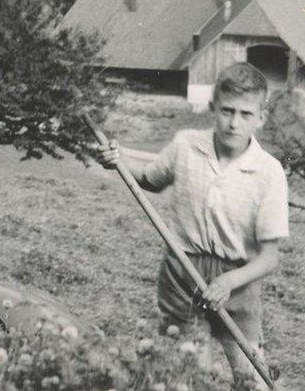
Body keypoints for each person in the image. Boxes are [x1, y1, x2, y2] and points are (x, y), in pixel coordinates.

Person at [95, 62, 288, 390]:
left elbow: (270, 257)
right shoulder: (186, 145)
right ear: (213, 107)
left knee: (250, 377)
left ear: (260, 118)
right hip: (182, 273)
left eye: (244, 114)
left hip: (237, 282)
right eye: (227, 111)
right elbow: (151, 179)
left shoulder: (268, 172)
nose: (233, 123)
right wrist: (118, 160)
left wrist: (230, 281)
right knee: (191, 377)